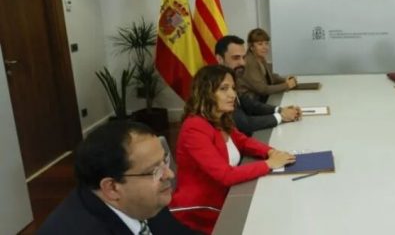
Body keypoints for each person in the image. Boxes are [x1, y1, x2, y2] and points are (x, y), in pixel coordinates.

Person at [170, 65, 296, 234]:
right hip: (201, 210)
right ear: (205, 92)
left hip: (226, 196)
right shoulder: (194, 128)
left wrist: (270, 152)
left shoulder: (219, 119)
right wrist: (269, 164)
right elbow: (226, 175)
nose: (232, 94)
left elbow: (243, 142)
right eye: (224, 89)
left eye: (233, 88)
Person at [38, 121, 198, 234]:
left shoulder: (145, 202)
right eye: (154, 171)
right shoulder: (83, 229)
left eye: (164, 161)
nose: (170, 174)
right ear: (112, 188)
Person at [214, 35, 301, 135]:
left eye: (243, 57)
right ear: (220, 59)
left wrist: (280, 110)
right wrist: (281, 116)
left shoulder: (233, 77)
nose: (242, 63)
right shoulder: (214, 85)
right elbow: (244, 124)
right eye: (236, 58)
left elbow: (249, 104)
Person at [239, 28, 297, 103]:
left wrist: (285, 79)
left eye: (266, 43)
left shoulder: (260, 58)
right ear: (251, 47)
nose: (265, 47)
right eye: (260, 44)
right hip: (252, 103)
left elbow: (270, 77)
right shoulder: (249, 62)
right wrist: (286, 85)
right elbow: (262, 89)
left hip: (260, 100)